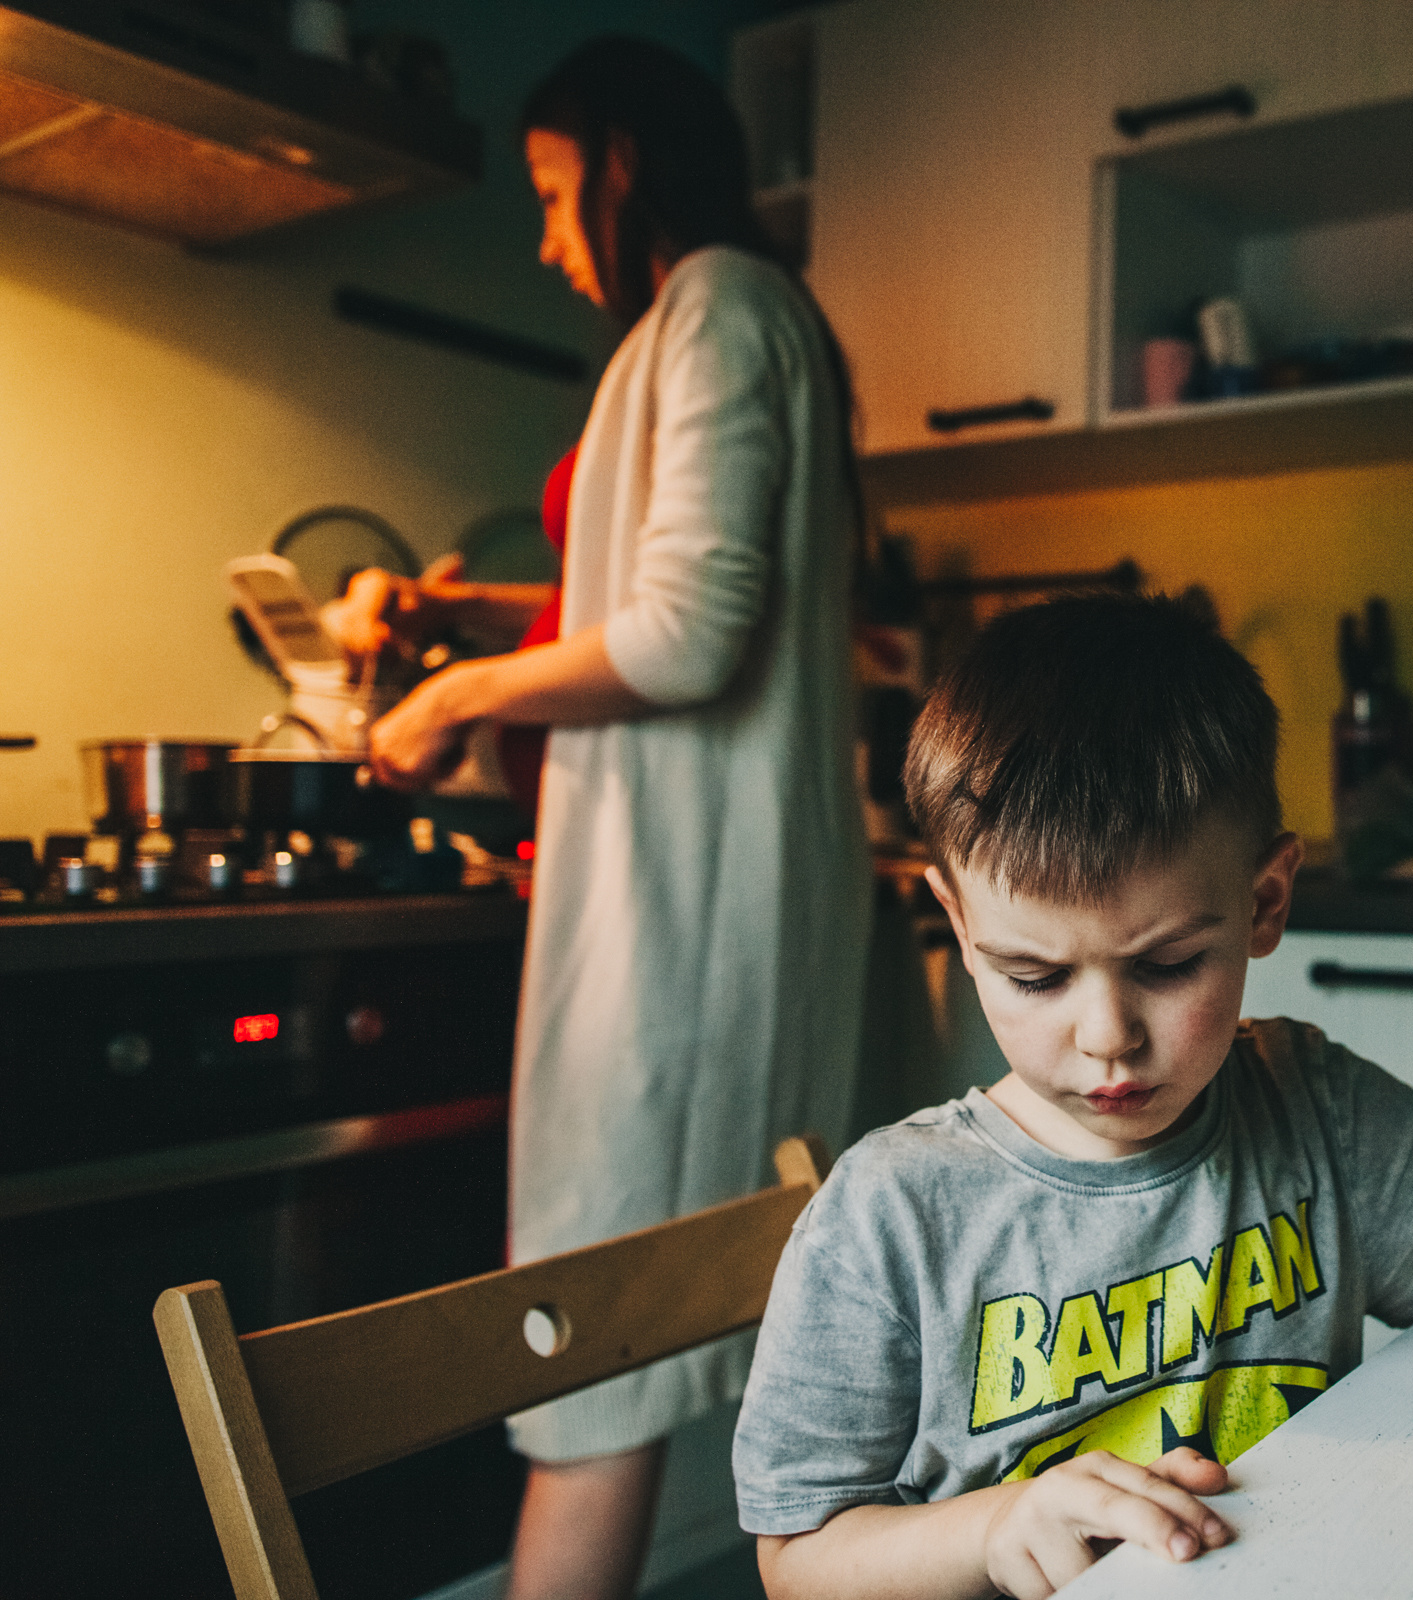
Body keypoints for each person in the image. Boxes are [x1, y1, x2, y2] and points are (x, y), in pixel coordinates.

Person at [733, 594, 1413, 1600]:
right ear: (958, 921)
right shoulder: (891, 1213)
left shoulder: (1312, 1107)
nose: (1108, 1036)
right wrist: (993, 1526)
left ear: (1264, 902)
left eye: (1167, 965)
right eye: (1036, 975)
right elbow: (796, 1560)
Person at [345, 37, 872, 1600]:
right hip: (699, 911)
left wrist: (453, 695)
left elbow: (689, 639)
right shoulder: (733, 315)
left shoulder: (716, 307)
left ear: (622, 163)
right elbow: (645, 599)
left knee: (594, 1354)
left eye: (550, 189)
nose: (544, 235)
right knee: (633, 1339)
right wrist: (463, 613)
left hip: (677, 927)